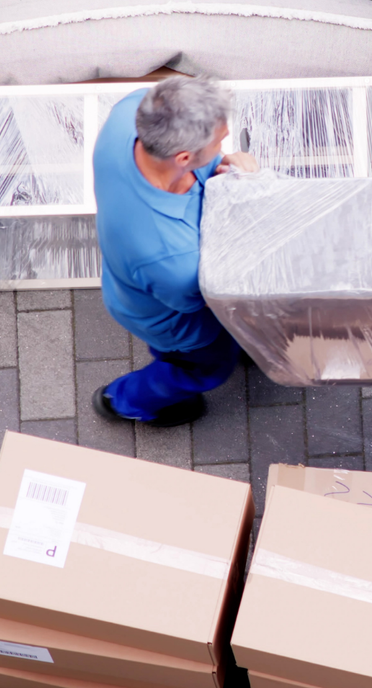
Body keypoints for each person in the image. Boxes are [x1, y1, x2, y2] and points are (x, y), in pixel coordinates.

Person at [89, 75, 256, 428]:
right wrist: (249, 190)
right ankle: (126, 401)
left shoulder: (133, 111)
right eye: (219, 141)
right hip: (174, 321)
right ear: (183, 157)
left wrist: (223, 169)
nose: (223, 145)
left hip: (130, 280)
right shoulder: (174, 261)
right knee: (203, 368)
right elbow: (214, 298)